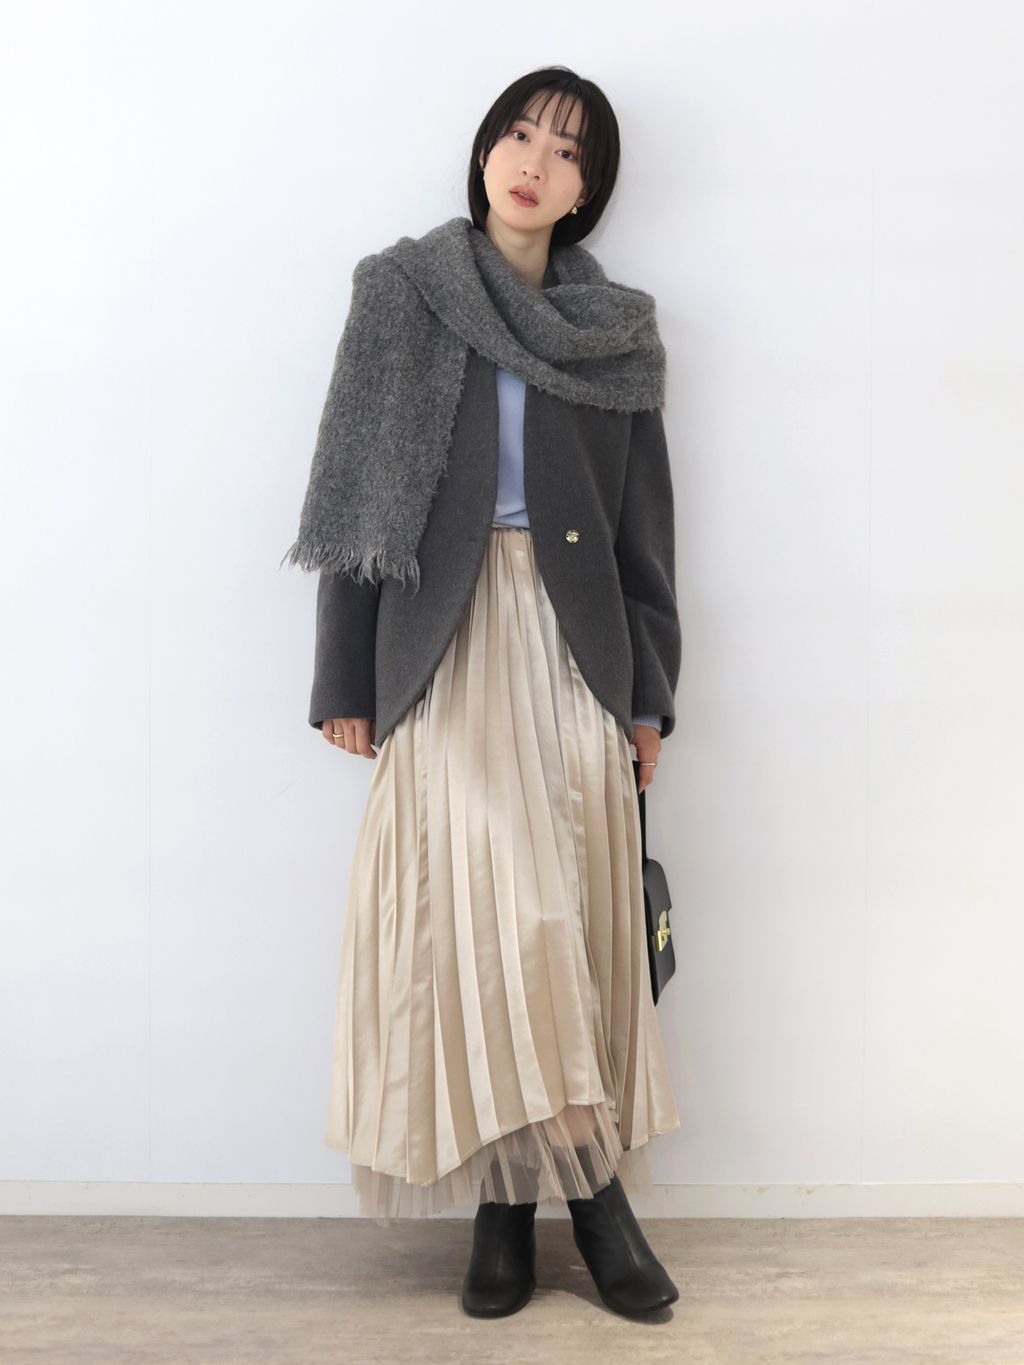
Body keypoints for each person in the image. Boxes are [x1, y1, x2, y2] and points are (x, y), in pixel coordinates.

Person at [282, 66, 683, 1320]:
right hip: (443, 642)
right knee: (495, 925)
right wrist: (345, 675)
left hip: (574, 650)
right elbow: (354, 493)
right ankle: (584, 1209)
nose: (532, 163)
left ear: (585, 191)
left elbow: (644, 536)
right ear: (484, 150)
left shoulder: (615, 332)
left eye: (565, 152)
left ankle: (517, 1216)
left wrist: (648, 700)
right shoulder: (402, 293)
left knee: (564, 926)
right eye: (518, 134)